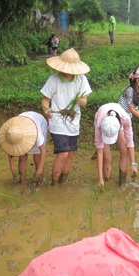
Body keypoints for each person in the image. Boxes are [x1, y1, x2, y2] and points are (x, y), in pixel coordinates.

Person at [41, 48, 92, 186]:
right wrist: (46, 109)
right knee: (63, 154)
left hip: (73, 121)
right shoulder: (54, 79)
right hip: (57, 121)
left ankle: (62, 182)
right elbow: (45, 100)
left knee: (70, 154)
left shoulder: (81, 79)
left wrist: (83, 101)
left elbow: (85, 98)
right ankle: (54, 184)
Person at [0, 111, 48, 184]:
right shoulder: (10, 132)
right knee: (22, 157)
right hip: (20, 126)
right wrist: (13, 170)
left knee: (37, 158)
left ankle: (39, 182)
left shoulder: (38, 134)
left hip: (39, 123)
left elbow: (43, 151)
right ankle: (22, 181)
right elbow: (10, 150)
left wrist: (39, 171)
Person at [94, 103, 136, 187]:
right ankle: (107, 182)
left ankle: (122, 185)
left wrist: (133, 164)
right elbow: (100, 153)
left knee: (124, 151)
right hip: (103, 121)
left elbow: (130, 142)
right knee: (106, 157)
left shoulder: (125, 119)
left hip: (118, 120)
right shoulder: (99, 124)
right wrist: (100, 179)